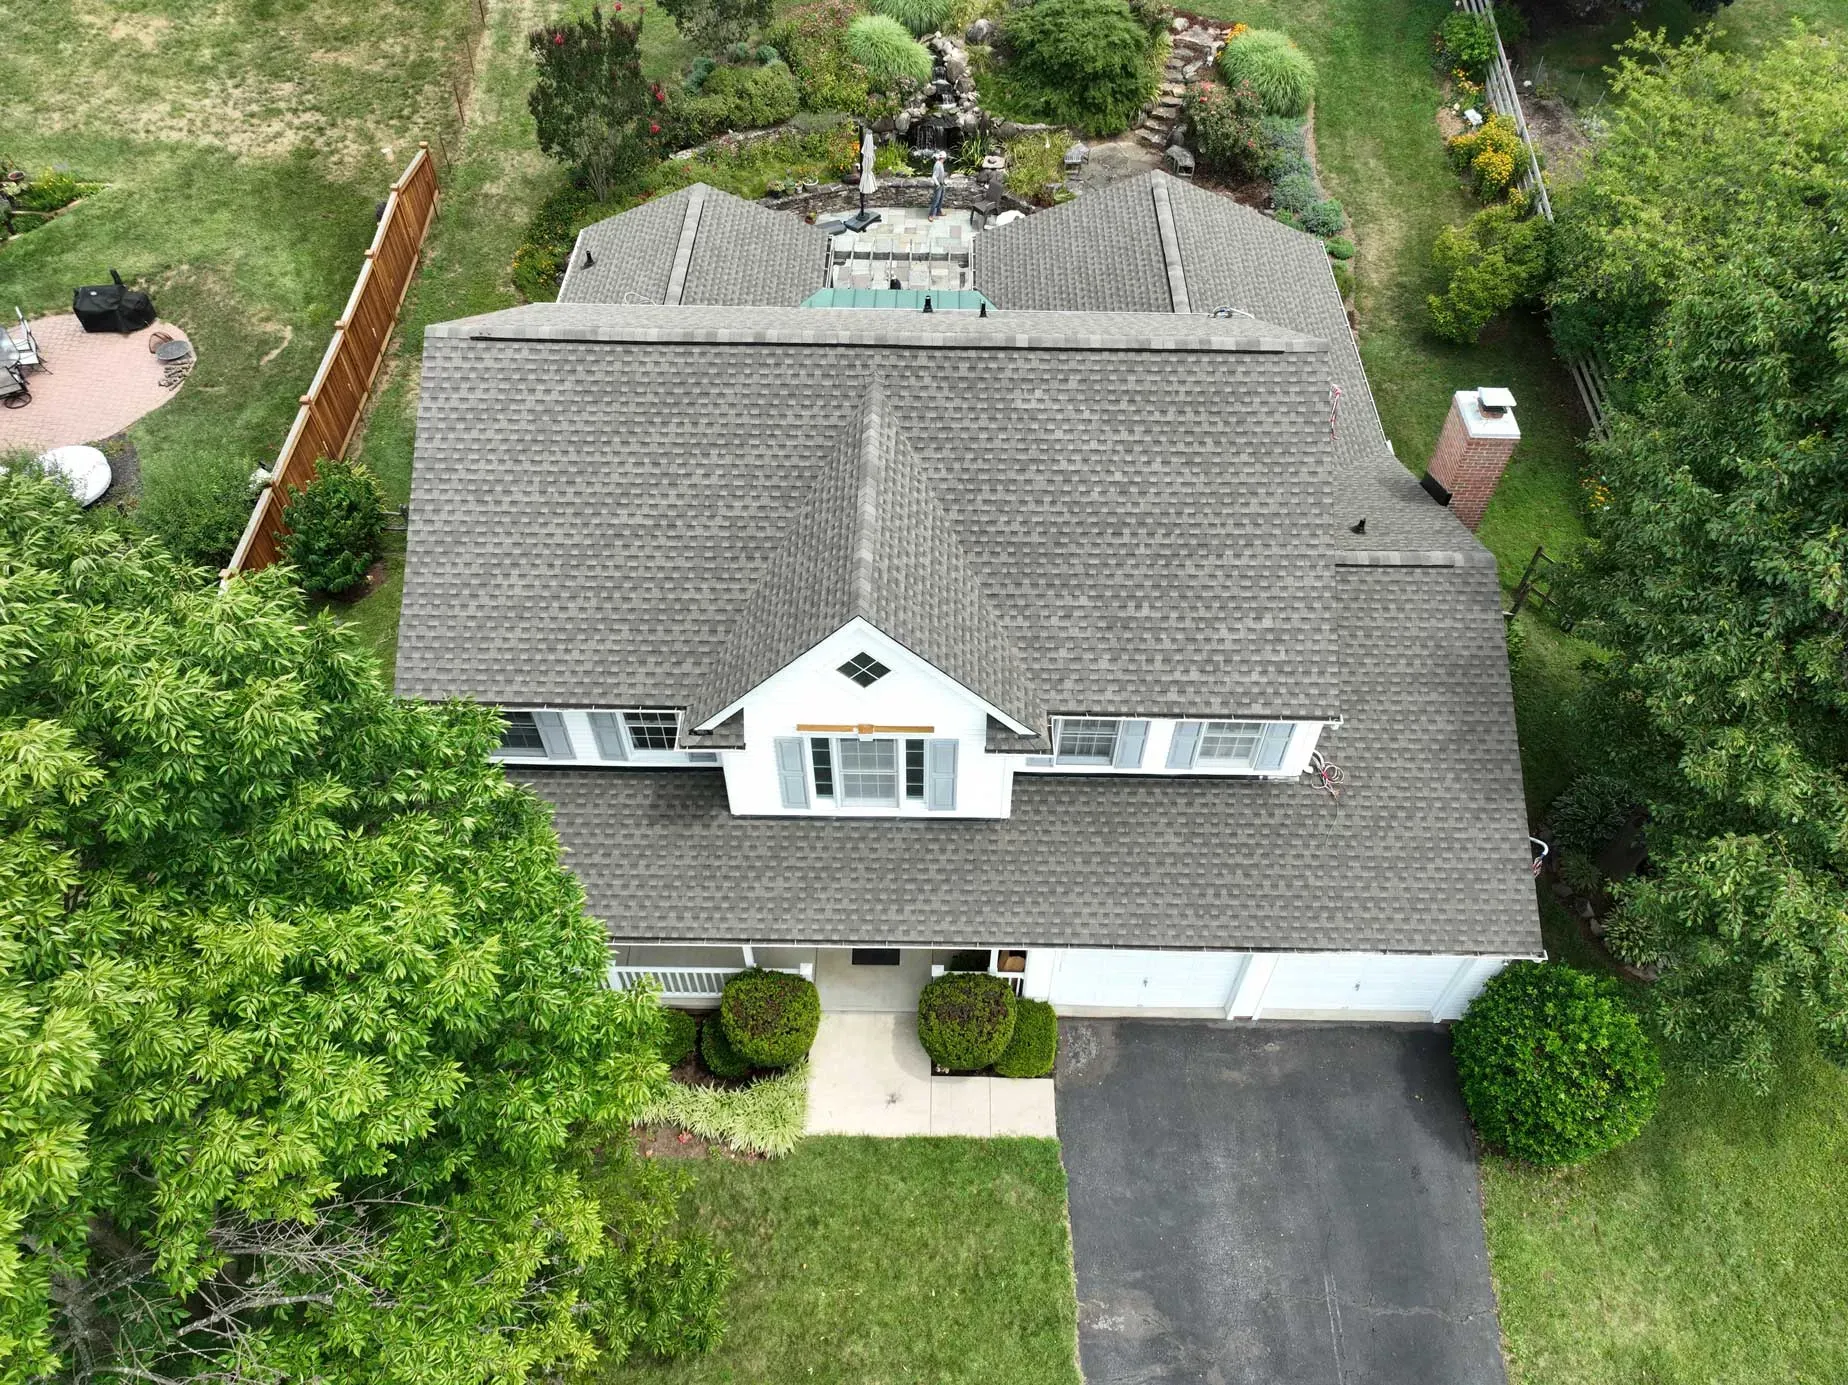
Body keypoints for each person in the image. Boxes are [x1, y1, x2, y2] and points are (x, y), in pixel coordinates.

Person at [928, 150, 948, 220]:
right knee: (936, 200)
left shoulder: (941, 163)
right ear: (944, 158)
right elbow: (934, 176)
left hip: (942, 184)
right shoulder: (937, 165)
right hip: (938, 185)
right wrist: (938, 184)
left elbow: (941, 174)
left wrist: (943, 182)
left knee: (941, 199)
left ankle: (938, 211)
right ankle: (931, 215)